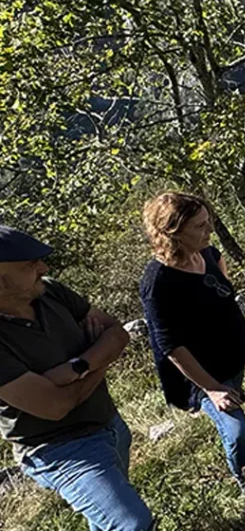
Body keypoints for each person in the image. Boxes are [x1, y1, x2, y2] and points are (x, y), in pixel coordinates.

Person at [0, 226, 154, 530]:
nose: (43, 268)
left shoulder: (51, 291)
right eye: (30, 265)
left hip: (110, 425)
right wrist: (100, 357)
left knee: (109, 521)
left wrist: (78, 367)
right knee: (132, 524)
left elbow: (117, 334)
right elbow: (56, 406)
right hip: (58, 450)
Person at [138, 192, 245, 502]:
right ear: (172, 232)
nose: (209, 231)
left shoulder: (206, 254)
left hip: (232, 362)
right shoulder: (159, 282)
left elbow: (219, 279)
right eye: (199, 226)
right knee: (236, 432)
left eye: (208, 222)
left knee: (238, 427)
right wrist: (211, 388)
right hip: (202, 377)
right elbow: (171, 345)